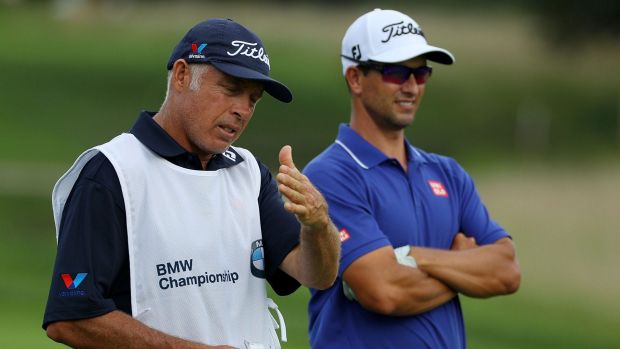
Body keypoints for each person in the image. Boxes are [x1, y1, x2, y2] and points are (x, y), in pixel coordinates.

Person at [43, 18, 340, 349]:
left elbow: (317, 274)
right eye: (230, 90)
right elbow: (71, 318)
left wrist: (318, 224)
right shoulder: (112, 172)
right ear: (182, 76)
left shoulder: (249, 172)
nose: (242, 109)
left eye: (253, 99)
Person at [303, 8, 521, 348]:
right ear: (355, 79)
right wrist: (464, 267)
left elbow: (506, 272)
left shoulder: (447, 173)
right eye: (396, 72)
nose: (411, 87)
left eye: (421, 74)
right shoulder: (329, 175)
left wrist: (410, 256)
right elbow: (383, 291)